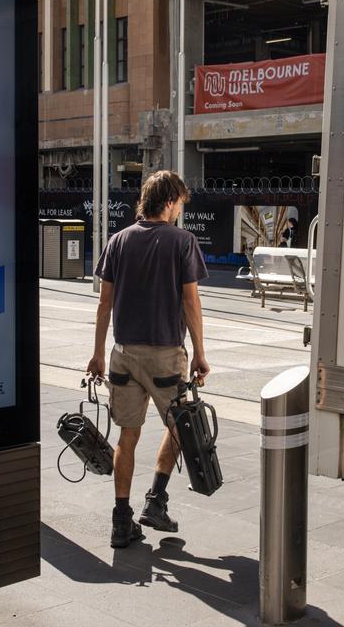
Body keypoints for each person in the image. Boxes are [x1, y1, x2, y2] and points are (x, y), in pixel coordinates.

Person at [86, 170, 210, 548]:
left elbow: (104, 303)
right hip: (165, 357)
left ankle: (121, 522)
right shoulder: (183, 242)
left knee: (128, 434)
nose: (178, 213)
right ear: (169, 201)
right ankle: (155, 500)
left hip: (123, 355)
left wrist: (97, 355)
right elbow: (190, 303)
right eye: (179, 205)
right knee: (180, 428)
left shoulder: (118, 241)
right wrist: (201, 355)